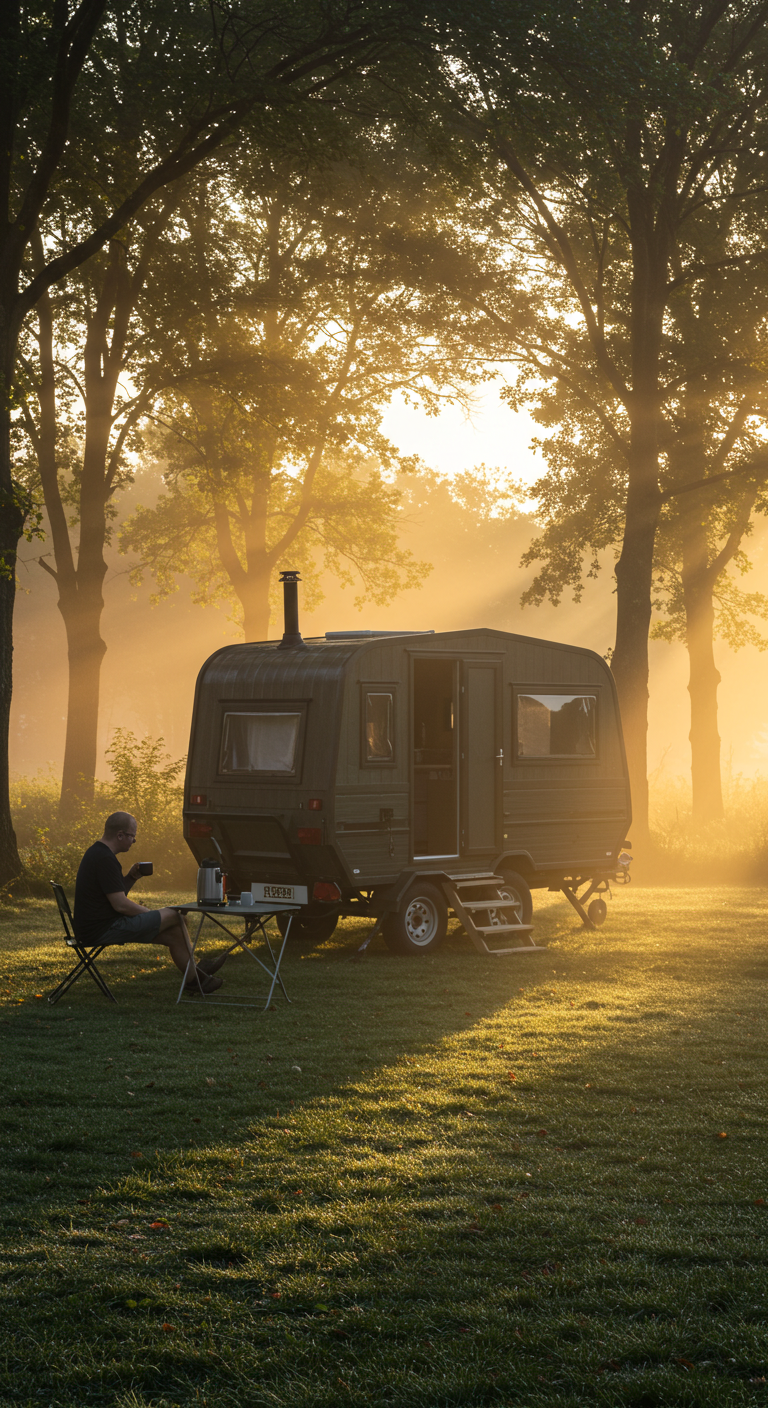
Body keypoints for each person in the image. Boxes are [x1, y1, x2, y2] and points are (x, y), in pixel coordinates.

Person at [73, 811, 224, 993]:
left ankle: (195, 981)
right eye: (132, 836)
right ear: (120, 835)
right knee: (177, 916)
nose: (134, 841)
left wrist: (130, 878)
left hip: (96, 926)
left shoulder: (97, 853)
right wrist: (150, 914)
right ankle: (198, 972)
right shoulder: (105, 859)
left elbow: (112, 896)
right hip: (103, 928)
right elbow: (120, 905)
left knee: (175, 932)